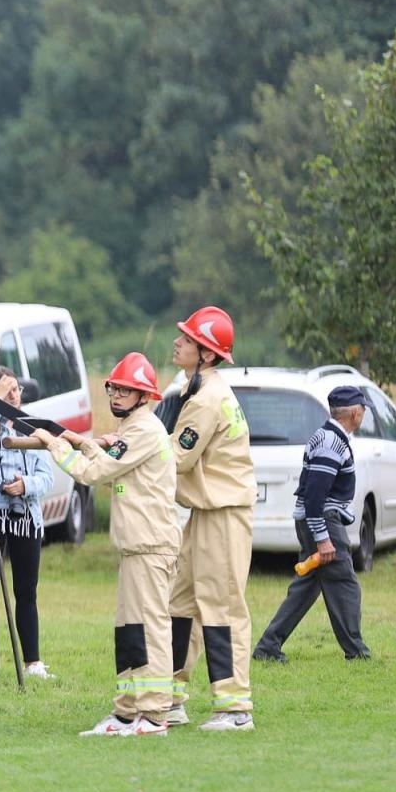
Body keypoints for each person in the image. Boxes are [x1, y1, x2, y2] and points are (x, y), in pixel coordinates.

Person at [36, 353, 180, 736]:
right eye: (113, 388)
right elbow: (106, 458)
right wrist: (79, 442)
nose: (116, 395)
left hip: (150, 547)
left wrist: (55, 447)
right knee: (130, 631)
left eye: (126, 390)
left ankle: (153, 716)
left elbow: (96, 471)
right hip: (137, 548)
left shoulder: (144, 431)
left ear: (143, 395)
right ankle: (125, 714)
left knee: (149, 631)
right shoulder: (135, 428)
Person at [165, 305, 257, 731]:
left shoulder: (207, 399)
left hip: (223, 514)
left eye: (187, 339)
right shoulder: (198, 390)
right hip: (205, 513)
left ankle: (234, 708)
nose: (178, 341)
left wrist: (119, 452)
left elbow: (175, 459)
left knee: (221, 607)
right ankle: (171, 697)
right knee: (180, 603)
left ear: (206, 354)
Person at [252, 386, 372, 663]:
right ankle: (356, 652)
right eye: (363, 410)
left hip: (313, 521)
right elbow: (315, 495)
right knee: (345, 586)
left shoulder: (325, 435)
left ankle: (268, 646)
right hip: (323, 523)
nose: (363, 414)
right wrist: (323, 538)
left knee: (306, 589)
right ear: (355, 412)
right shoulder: (333, 443)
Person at [0, 367, 56, 680]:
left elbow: (48, 476)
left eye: (16, 389)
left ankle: (33, 663)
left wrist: (26, 485)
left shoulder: (33, 426)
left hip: (25, 513)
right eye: (7, 390)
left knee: (26, 590)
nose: (14, 395)